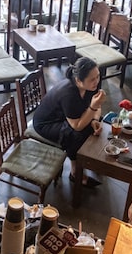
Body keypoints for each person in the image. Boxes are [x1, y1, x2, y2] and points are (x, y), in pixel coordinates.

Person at [33, 57, 106, 187]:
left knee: (95, 124)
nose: (96, 81)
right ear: (78, 80)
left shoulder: (90, 84)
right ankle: (75, 172)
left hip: (66, 117)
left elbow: (97, 106)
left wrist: (94, 119)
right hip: (47, 123)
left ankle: (88, 160)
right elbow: (76, 126)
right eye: (92, 79)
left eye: (98, 76)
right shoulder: (68, 94)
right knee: (76, 134)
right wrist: (93, 109)